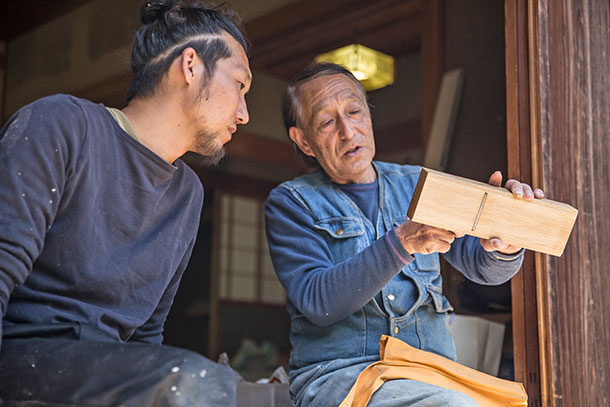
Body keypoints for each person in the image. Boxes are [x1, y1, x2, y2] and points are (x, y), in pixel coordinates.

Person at [0, 1, 251, 406]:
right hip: (22, 356)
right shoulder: (63, 124)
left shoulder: (187, 194)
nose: (244, 113)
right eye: (239, 84)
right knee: (194, 381)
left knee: (236, 387)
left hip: (108, 367)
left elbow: (148, 334)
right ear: (191, 66)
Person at [264, 63, 544, 407]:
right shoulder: (291, 203)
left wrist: (505, 241)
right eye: (326, 122)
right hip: (340, 375)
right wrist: (402, 243)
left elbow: (484, 268)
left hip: (431, 373)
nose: (348, 131)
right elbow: (318, 303)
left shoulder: (416, 182)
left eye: (355, 112)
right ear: (303, 140)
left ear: (369, 114)